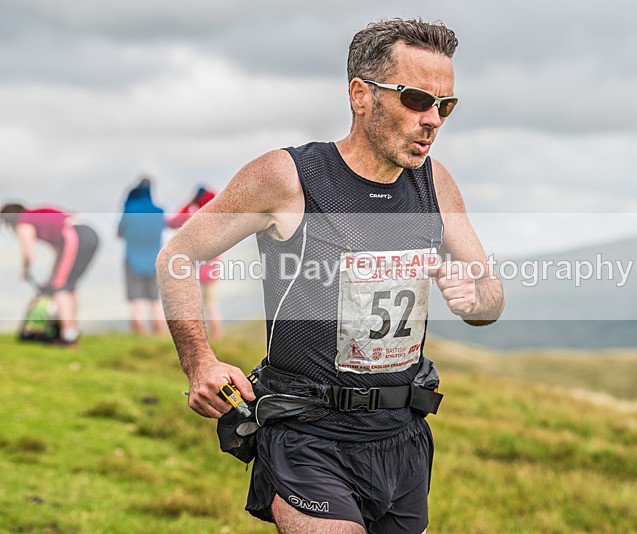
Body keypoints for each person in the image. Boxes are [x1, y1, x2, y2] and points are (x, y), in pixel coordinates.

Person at [157, 18, 504, 534]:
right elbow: (178, 257)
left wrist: (476, 299)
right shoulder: (288, 177)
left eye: (445, 105)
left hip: (401, 436)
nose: (433, 120)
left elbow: (491, 294)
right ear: (360, 95)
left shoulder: (435, 184)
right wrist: (199, 362)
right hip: (307, 435)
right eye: (416, 100)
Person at [1, 202, 100, 347]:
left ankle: (68, 337)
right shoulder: (35, 215)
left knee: (61, 288)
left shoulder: (24, 221)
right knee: (69, 286)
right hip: (89, 235)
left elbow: (28, 251)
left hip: (74, 235)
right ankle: (70, 332)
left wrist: (26, 271)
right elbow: (59, 248)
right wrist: (53, 274)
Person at [167, 186, 224, 339]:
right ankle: (217, 337)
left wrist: (189, 202)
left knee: (194, 306)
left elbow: (172, 222)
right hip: (211, 267)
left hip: (193, 267)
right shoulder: (217, 218)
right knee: (211, 303)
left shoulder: (192, 215)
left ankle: (198, 339)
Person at [118, 176, 166, 335]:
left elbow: (119, 233)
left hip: (133, 262)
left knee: (136, 303)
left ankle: (140, 340)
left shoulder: (129, 211)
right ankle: (159, 339)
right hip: (156, 262)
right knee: (155, 302)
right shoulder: (159, 212)